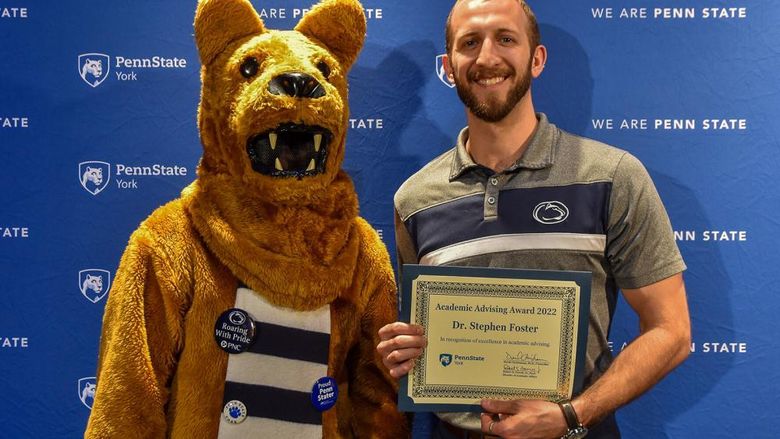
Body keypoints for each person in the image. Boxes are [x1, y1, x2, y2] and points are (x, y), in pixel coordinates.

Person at [376, 0, 691, 438]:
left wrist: (572, 415)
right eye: (470, 43)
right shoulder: (414, 199)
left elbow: (671, 331)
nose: (487, 57)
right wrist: (407, 351)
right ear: (449, 66)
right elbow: (425, 331)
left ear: (536, 59)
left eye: (506, 38)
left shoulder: (613, 176)